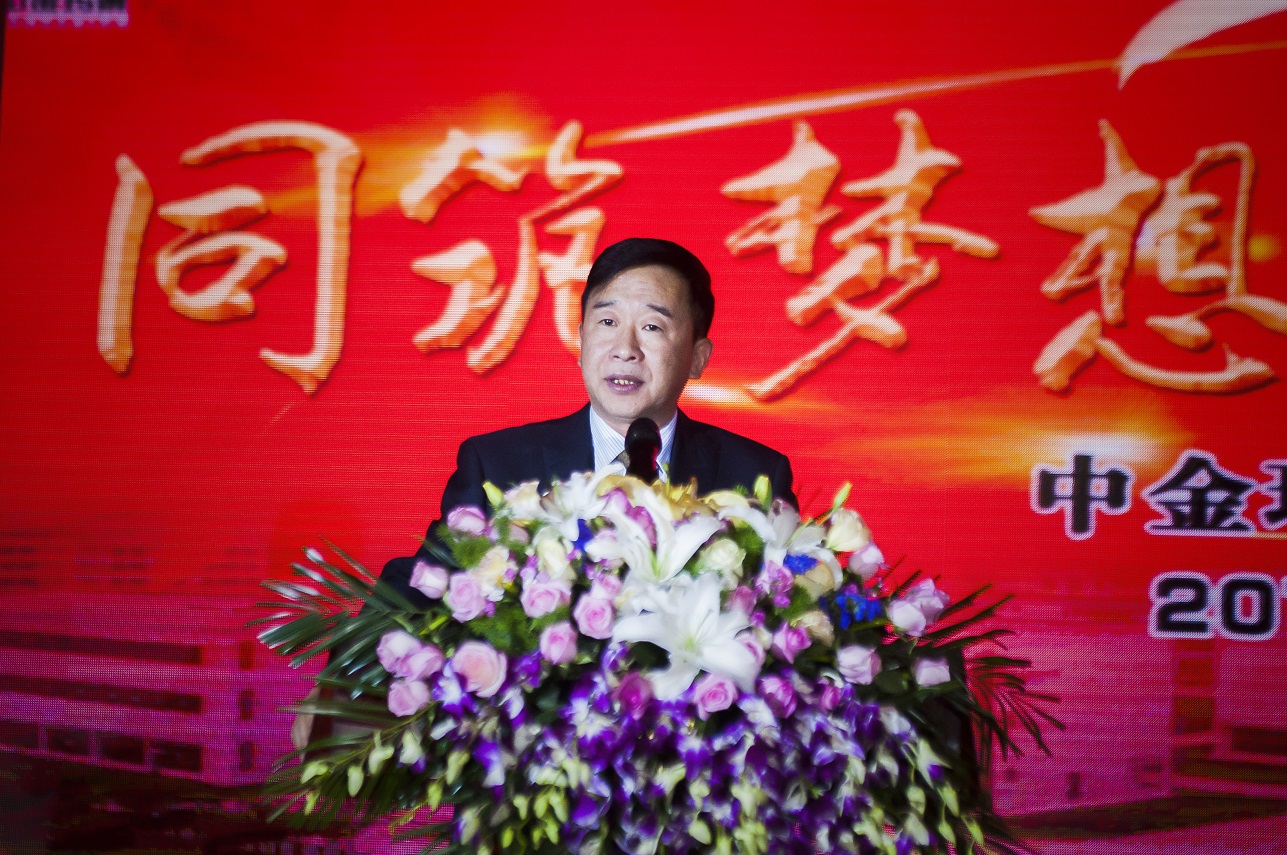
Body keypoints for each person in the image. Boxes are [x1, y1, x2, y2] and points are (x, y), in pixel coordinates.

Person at [379, 237, 795, 605]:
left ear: (697, 358)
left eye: (652, 326)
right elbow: (418, 589)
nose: (625, 348)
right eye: (607, 322)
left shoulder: (754, 475)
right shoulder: (497, 465)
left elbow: (791, 605)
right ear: (581, 340)